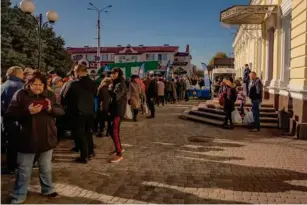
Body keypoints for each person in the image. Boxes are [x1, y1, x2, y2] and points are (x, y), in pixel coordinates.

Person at [6, 71, 64, 204]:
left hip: (46, 136)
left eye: (40, 84)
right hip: (27, 137)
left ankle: (47, 189)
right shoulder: (20, 94)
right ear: (29, 84)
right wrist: (28, 111)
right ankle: (19, 194)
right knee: (24, 168)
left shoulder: (49, 95)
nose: (38, 87)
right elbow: (10, 113)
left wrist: (50, 109)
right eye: (34, 84)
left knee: (46, 166)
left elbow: (60, 111)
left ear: (44, 85)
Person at [62, 64, 97, 163]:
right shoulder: (92, 83)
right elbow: (94, 94)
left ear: (77, 71)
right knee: (88, 133)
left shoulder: (73, 84)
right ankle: (90, 152)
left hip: (77, 112)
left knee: (79, 134)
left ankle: (84, 156)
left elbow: (65, 97)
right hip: (90, 111)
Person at [1, 66, 25, 174]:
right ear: (18, 74)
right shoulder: (21, 86)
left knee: (9, 142)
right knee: (16, 143)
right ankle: (14, 165)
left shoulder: (2, 86)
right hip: (18, 119)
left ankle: (10, 164)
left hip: (5, 118)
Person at [108, 68, 128, 163]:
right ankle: (118, 148)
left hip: (118, 111)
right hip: (115, 110)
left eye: (114, 73)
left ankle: (119, 154)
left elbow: (116, 96)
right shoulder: (117, 82)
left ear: (118, 74)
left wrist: (107, 89)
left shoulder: (120, 83)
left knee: (114, 131)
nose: (112, 74)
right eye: (111, 73)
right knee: (112, 131)